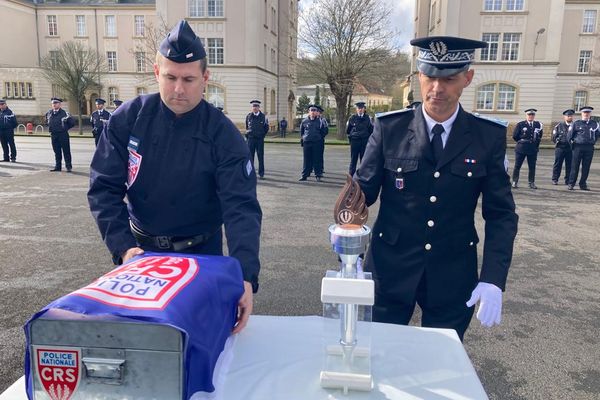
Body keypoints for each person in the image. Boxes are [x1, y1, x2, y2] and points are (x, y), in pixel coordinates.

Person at [87, 20, 262, 334]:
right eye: (170, 77)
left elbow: (241, 208)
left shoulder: (223, 134)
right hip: (141, 254)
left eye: (189, 79)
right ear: (157, 72)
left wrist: (244, 275)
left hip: (201, 254)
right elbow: (103, 188)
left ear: (205, 78)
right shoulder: (128, 119)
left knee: (201, 337)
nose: (179, 89)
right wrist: (123, 247)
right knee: (144, 339)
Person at [355, 36, 518, 340]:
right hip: (390, 268)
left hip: (453, 271)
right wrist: (346, 249)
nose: (437, 88)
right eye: (430, 76)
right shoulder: (390, 129)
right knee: (379, 357)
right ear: (419, 75)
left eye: (449, 79)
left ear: (467, 78)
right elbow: (362, 195)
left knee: (441, 367)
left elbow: (501, 214)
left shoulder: (487, 137)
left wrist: (493, 278)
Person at [567, 106, 599, 191]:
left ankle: (583, 184)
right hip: (578, 147)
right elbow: (569, 137)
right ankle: (571, 183)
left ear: (590, 114)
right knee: (575, 166)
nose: (586, 114)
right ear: (581, 113)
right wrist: (573, 147)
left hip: (589, 148)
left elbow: (596, 135)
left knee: (586, 167)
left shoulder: (595, 124)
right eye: (585, 113)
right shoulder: (576, 123)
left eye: (588, 113)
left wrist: (592, 142)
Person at [511, 109, 543, 189]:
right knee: (517, 166)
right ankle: (515, 181)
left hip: (532, 149)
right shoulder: (521, 124)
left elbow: (540, 136)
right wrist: (522, 142)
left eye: (532, 115)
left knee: (532, 167)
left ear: (534, 116)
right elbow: (515, 136)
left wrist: (535, 145)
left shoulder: (538, 124)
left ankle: (531, 182)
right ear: (526, 115)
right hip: (521, 148)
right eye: (529, 115)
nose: (531, 116)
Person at [299, 104, 328, 182]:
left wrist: (318, 138)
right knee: (306, 159)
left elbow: (324, 131)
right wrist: (303, 140)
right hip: (307, 143)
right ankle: (305, 175)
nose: (313, 112)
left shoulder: (320, 121)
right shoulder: (304, 121)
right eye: (311, 110)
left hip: (317, 143)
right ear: (308, 112)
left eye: (314, 111)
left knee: (317, 159)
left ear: (316, 112)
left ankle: (318, 175)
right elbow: (302, 132)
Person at [45, 97, 75, 172]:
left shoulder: (64, 113)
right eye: (53, 103)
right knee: (56, 151)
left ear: (59, 104)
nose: (54, 105)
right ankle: (58, 166)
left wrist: (65, 128)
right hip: (54, 134)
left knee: (66, 151)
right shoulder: (49, 113)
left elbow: (72, 123)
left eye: (56, 103)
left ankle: (68, 166)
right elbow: (47, 121)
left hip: (63, 134)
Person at [346, 101, 374, 176]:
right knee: (353, 159)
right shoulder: (352, 118)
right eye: (358, 108)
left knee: (364, 160)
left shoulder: (368, 118)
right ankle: (351, 176)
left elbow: (371, 130)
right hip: (355, 141)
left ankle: (363, 175)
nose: (360, 110)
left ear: (364, 109)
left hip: (364, 141)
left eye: (361, 108)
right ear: (356, 109)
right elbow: (348, 130)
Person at [245, 100, 269, 179]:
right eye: (253, 106)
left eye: (256, 106)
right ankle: (250, 173)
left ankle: (261, 174)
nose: (254, 108)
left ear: (259, 107)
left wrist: (262, 135)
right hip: (251, 140)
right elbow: (247, 127)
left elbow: (266, 128)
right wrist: (248, 135)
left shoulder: (263, 117)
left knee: (260, 156)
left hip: (259, 140)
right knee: (250, 157)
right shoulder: (248, 116)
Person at [551, 109, 574, 185]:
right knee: (558, 164)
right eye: (568, 116)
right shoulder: (559, 126)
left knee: (569, 165)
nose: (570, 117)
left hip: (570, 148)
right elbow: (553, 137)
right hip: (560, 148)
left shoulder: (574, 126)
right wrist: (557, 140)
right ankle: (555, 179)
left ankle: (568, 180)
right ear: (564, 117)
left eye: (571, 116)